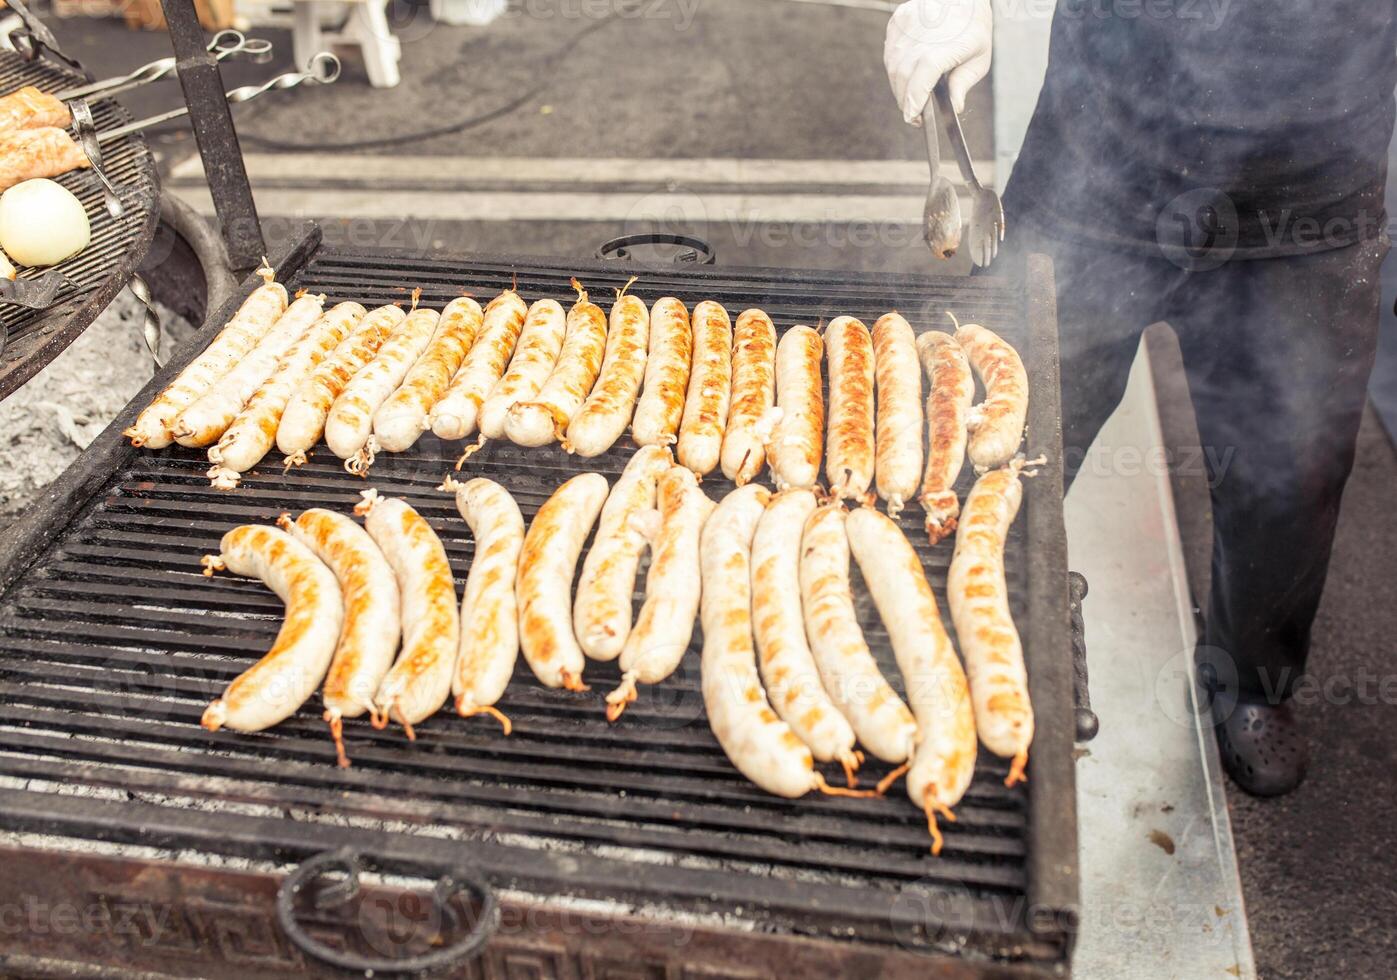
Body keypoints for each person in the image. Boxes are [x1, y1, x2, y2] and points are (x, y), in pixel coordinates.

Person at [885, 0, 1397, 796]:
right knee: (995, 430)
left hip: (1310, 192)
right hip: (1102, 157)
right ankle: (935, 642)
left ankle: (1252, 681)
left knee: (1292, 477)